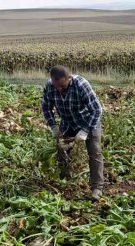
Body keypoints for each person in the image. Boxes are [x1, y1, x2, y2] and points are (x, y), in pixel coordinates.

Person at [41, 66, 105, 200]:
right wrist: (53, 126)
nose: (59, 89)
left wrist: (85, 131)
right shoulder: (50, 85)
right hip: (67, 122)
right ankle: (66, 181)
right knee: (62, 150)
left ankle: (97, 188)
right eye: (56, 86)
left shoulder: (81, 85)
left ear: (69, 78)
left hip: (88, 121)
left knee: (94, 152)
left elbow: (97, 110)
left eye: (62, 87)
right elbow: (46, 107)